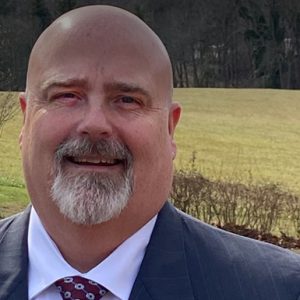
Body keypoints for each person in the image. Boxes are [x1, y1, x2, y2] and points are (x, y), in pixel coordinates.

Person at [0, 5, 299, 300]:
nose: (94, 124)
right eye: (67, 95)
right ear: (25, 120)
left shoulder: (279, 289)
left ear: (169, 129)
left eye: (127, 99)